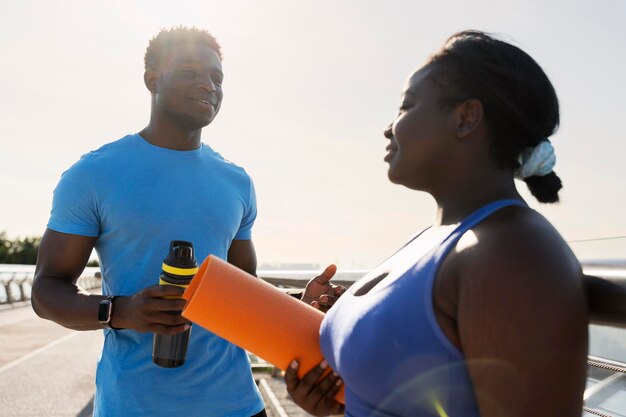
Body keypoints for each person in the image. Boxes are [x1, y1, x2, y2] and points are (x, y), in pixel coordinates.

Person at [284, 30, 589, 417]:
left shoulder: (512, 252)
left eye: (407, 106)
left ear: (465, 118)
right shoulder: (435, 239)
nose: (389, 127)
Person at [32, 26, 270, 417]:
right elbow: (45, 291)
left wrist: (300, 307)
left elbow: (246, 297)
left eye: (217, 78)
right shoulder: (95, 174)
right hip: (135, 406)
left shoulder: (237, 182)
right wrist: (121, 311)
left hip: (237, 405)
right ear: (152, 79)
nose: (208, 85)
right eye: (191, 72)